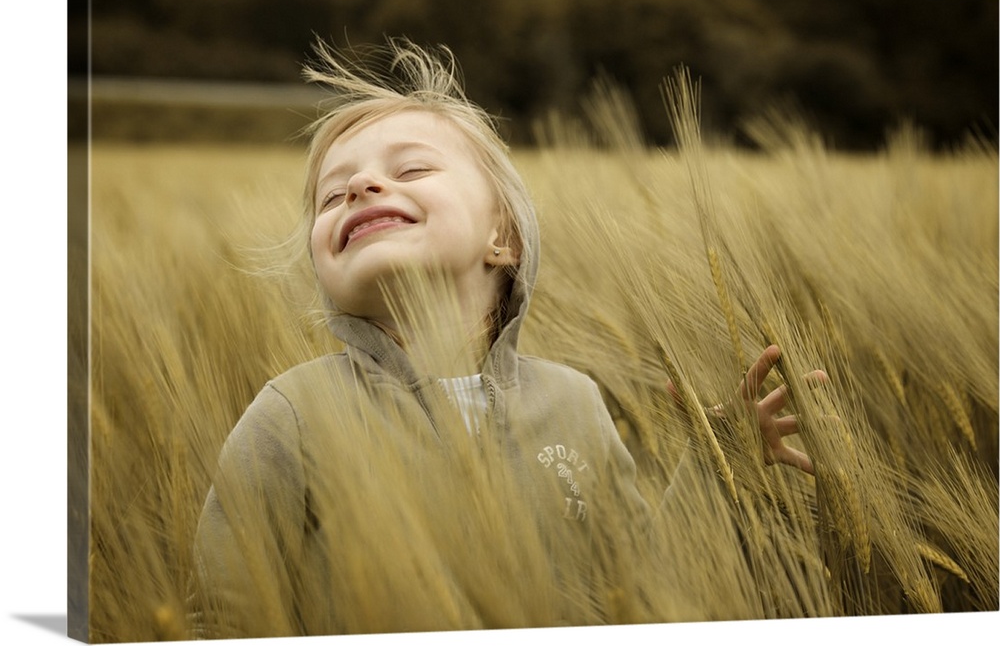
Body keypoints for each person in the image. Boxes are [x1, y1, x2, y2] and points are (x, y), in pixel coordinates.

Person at [193, 38, 824, 638]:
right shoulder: (294, 414)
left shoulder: (576, 405)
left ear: (506, 237)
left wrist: (719, 467)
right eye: (332, 197)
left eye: (411, 167)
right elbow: (225, 613)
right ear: (325, 274)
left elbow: (636, 580)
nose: (359, 188)